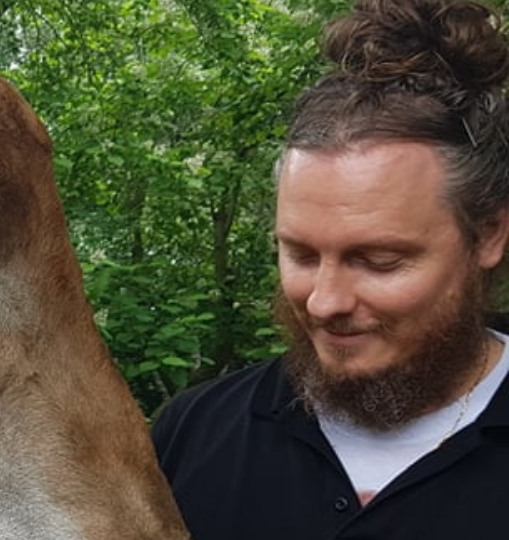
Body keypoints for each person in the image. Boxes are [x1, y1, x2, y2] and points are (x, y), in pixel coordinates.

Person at [150, 1, 509, 539]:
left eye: (378, 262)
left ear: (487, 235)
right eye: (300, 254)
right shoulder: (193, 435)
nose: (324, 302)